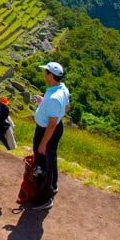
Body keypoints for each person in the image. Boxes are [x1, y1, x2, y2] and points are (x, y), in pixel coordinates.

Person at [30, 61, 71, 210]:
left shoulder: (54, 97)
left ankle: (44, 198)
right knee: (51, 159)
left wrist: (43, 143)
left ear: (50, 75)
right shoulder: (61, 89)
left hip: (47, 131)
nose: (44, 73)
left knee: (43, 163)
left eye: (46, 71)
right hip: (56, 127)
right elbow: (66, 107)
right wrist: (44, 103)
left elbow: (51, 123)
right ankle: (52, 186)